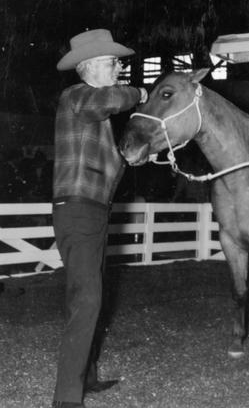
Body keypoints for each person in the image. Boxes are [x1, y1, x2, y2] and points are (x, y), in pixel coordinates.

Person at [52, 29, 148, 408]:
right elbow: (109, 100)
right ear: (90, 67)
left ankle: (85, 377)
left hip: (91, 211)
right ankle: (66, 398)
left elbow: (105, 161)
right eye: (113, 62)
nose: (120, 67)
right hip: (79, 211)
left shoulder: (94, 113)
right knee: (88, 298)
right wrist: (139, 93)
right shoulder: (77, 96)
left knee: (90, 295)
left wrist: (131, 160)